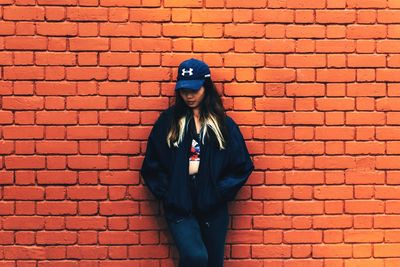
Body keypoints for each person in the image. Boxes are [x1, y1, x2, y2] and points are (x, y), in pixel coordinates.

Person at [140, 58, 254, 267]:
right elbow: (151, 165)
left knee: (212, 263)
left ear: (206, 87)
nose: (189, 96)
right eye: (184, 91)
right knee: (196, 257)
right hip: (180, 204)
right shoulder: (168, 122)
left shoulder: (223, 125)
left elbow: (242, 165)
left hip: (212, 206)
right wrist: (169, 192)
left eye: (195, 89)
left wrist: (218, 191)